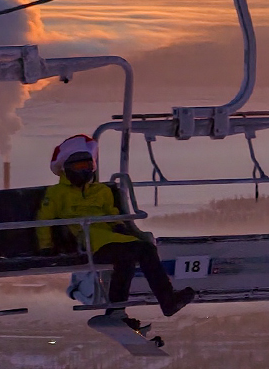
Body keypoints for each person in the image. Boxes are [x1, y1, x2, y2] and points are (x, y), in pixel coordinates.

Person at [36, 134, 194, 317]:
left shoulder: (102, 191)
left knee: (135, 254)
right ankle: (161, 302)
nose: (83, 171)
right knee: (137, 252)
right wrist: (45, 246)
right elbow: (44, 220)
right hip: (87, 242)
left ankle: (123, 309)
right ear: (67, 170)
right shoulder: (57, 193)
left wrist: (119, 225)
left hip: (111, 237)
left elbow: (111, 212)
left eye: (86, 166)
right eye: (78, 167)